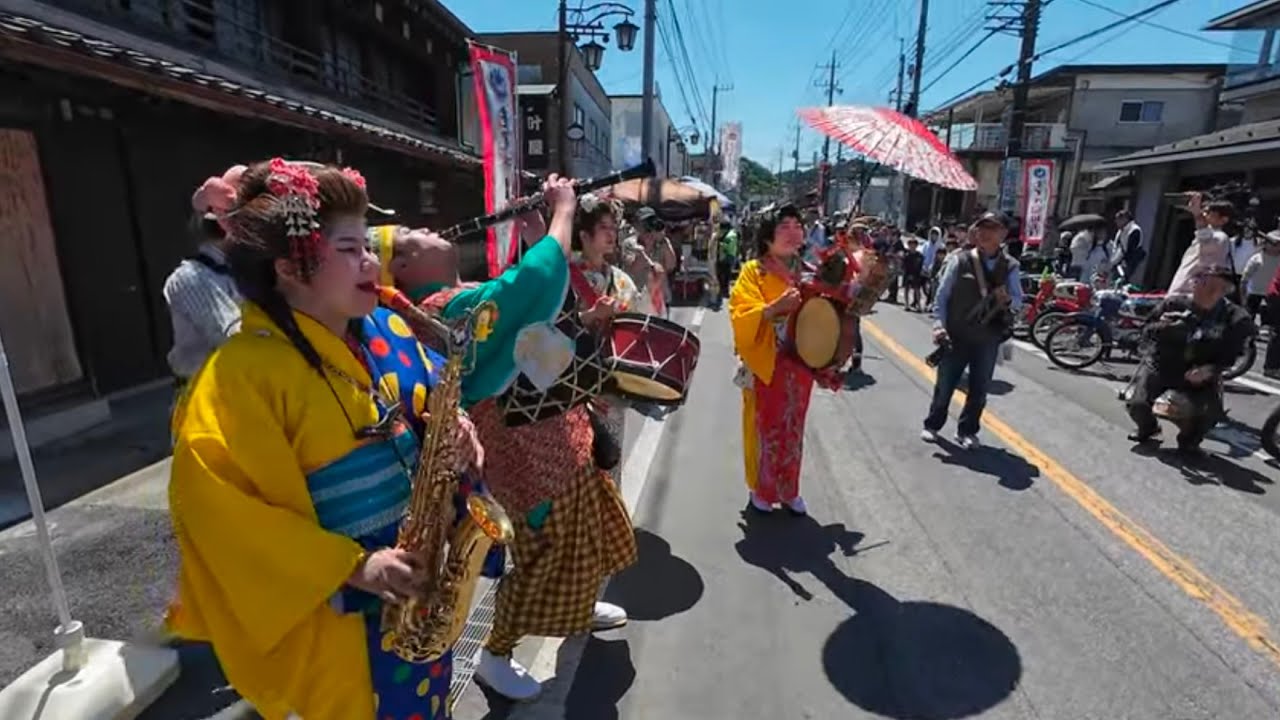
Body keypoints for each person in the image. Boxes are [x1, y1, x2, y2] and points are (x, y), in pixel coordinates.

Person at [167, 158, 482, 719]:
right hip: (339, 618)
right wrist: (353, 567)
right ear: (290, 265)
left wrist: (457, 432)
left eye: (367, 244)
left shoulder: (383, 328)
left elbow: (434, 401)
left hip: (414, 588)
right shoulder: (238, 375)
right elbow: (221, 515)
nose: (371, 260)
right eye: (349, 248)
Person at [373, 177, 636, 701]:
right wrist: (562, 212)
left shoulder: (458, 294)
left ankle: (579, 609)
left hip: (557, 436)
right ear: (401, 270)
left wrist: (538, 226)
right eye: (410, 235)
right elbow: (527, 289)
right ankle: (496, 652)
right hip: (524, 457)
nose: (426, 228)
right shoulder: (434, 310)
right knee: (543, 557)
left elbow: (538, 308)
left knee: (593, 529)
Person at [729, 205, 843, 516]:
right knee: (766, 429)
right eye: (784, 226)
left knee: (794, 428)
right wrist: (774, 307)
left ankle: (790, 489)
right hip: (767, 363)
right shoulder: (755, 271)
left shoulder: (808, 272)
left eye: (797, 225)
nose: (794, 231)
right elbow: (741, 313)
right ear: (767, 239)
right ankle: (763, 489)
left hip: (799, 366)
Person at [1126, 265, 1254, 455]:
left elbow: (1233, 353)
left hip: (1200, 370)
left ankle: (1190, 440)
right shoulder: (1174, 304)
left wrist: (1210, 369)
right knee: (1137, 404)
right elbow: (1144, 333)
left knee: (1210, 415)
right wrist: (1164, 327)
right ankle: (1149, 428)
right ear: (1193, 283)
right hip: (1162, 365)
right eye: (1204, 283)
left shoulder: (1233, 317)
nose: (1209, 292)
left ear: (1226, 291)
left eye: (1219, 288)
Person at [923, 211, 1023, 449]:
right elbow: (942, 296)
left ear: (1003, 235)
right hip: (955, 335)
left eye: (993, 228)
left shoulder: (1010, 266)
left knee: (979, 388)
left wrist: (1007, 299)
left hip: (987, 338)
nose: (986, 233)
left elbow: (1019, 302)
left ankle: (967, 431)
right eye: (982, 227)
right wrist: (939, 326)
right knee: (945, 385)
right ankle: (932, 425)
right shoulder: (960, 260)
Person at [163, 165, 246, 385]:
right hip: (207, 393)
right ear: (224, 224)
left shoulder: (247, 268)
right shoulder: (191, 278)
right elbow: (234, 339)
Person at [1168, 193, 1233, 296]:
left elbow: (1204, 235)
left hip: (1191, 294)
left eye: (1209, 212)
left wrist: (1196, 213)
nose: (1204, 214)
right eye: (1204, 211)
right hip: (1180, 291)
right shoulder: (1202, 236)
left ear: (1224, 219)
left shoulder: (1221, 237)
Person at [1241, 230, 1280, 327]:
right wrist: (1243, 296)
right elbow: (1245, 279)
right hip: (1254, 293)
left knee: (1268, 322)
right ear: (1265, 243)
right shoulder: (1256, 258)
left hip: (1272, 296)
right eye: (1272, 243)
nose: (1275, 246)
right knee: (1248, 319)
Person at [1110, 209, 1145, 284]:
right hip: (1117, 259)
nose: (1116, 222)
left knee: (1121, 279)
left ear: (1125, 219)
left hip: (1128, 260)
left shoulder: (1134, 230)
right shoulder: (1120, 231)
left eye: (1118, 219)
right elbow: (1117, 245)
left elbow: (1130, 249)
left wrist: (1123, 261)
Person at [901, 236, 926, 312]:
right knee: (906, 289)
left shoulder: (920, 256)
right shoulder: (906, 255)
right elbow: (903, 265)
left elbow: (921, 265)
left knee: (917, 290)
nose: (912, 246)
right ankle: (907, 304)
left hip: (916, 274)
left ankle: (919, 305)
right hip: (907, 273)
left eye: (914, 244)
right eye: (911, 244)